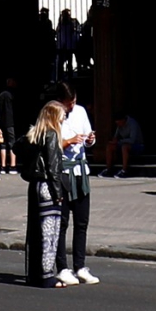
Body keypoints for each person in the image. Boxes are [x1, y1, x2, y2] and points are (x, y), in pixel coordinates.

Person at [21, 94, 68, 287]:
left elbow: (18, 147)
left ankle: (33, 274)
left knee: (35, 231)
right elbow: (53, 167)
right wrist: (58, 193)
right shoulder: (51, 134)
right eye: (62, 116)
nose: (64, 120)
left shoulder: (35, 134)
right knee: (49, 231)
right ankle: (46, 275)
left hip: (36, 186)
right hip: (48, 186)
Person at [53, 86, 96, 283]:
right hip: (63, 172)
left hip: (81, 171)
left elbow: (88, 136)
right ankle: (62, 267)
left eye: (74, 101)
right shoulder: (53, 113)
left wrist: (89, 140)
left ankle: (80, 266)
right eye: (68, 103)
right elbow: (49, 144)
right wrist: (69, 141)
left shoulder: (80, 111)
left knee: (82, 221)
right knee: (62, 222)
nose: (72, 106)